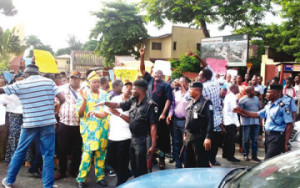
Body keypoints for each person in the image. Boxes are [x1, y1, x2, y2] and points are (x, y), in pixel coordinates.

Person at [0, 64, 65, 188]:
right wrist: (55, 108)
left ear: (27, 74)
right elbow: (62, 99)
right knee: (48, 155)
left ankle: (9, 181)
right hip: (47, 123)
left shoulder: (21, 84)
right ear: (37, 72)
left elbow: (2, 90)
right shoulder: (49, 82)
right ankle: (48, 185)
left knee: (20, 151)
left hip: (30, 124)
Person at [95, 79, 158, 178]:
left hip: (143, 140)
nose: (131, 90)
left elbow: (153, 126)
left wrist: (153, 145)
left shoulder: (150, 105)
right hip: (132, 139)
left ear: (141, 90)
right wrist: (104, 103)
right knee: (133, 166)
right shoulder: (133, 100)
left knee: (141, 167)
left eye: (134, 88)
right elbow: (117, 105)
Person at [234, 84, 294, 159]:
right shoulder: (268, 105)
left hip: (277, 137)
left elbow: (289, 124)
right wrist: (242, 111)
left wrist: (285, 142)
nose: (266, 94)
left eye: (268, 92)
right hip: (268, 136)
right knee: (271, 162)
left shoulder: (283, 106)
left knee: (268, 160)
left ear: (276, 93)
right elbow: (257, 114)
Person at [187, 51, 224, 166]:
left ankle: (207, 163)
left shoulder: (203, 88)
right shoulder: (215, 81)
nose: (197, 77)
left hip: (205, 122)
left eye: (199, 75)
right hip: (217, 120)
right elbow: (206, 66)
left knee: (202, 150)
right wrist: (197, 57)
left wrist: (184, 86)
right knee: (212, 147)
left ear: (203, 79)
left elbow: (188, 97)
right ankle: (211, 160)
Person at [76, 71, 110, 188]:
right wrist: (84, 100)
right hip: (89, 131)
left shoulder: (105, 94)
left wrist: (98, 114)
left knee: (101, 154)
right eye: (94, 82)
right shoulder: (83, 94)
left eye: (98, 82)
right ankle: (81, 179)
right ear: (89, 83)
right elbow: (79, 114)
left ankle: (100, 177)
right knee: (87, 155)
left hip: (103, 130)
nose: (96, 84)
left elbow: (107, 111)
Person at [140, 48, 173, 169]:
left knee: (161, 140)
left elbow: (169, 100)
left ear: (163, 75)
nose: (157, 74)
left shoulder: (166, 85)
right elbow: (142, 69)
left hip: (160, 118)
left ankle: (162, 159)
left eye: (159, 73)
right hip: (148, 116)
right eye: (155, 72)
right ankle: (151, 157)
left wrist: (164, 114)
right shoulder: (149, 80)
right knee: (149, 138)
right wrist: (142, 56)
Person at [55, 70, 83, 180]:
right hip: (64, 124)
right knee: (62, 150)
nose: (74, 80)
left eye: (76, 78)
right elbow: (55, 104)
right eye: (72, 78)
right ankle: (62, 172)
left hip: (79, 124)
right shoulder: (61, 89)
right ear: (69, 79)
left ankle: (74, 170)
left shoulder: (84, 90)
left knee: (77, 150)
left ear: (80, 79)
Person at [106, 82, 132, 186]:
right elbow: (106, 112)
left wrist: (118, 113)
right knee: (110, 160)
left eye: (131, 88)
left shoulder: (133, 102)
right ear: (122, 88)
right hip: (113, 135)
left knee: (122, 162)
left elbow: (132, 120)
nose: (128, 89)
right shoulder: (114, 99)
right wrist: (95, 114)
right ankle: (127, 173)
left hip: (126, 136)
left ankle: (121, 183)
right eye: (126, 87)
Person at [4, 74, 32, 166]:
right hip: (14, 115)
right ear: (15, 82)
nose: (19, 82)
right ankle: (12, 158)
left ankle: (27, 159)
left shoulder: (29, 92)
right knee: (14, 135)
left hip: (26, 115)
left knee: (26, 136)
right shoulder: (10, 92)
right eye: (18, 80)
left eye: (21, 80)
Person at [184, 82, 213, 168]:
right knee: (189, 162)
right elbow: (187, 118)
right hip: (189, 136)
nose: (189, 91)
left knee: (201, 162)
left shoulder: (206, 103)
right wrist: (185, 133)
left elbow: (210, 121)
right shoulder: (190, 102)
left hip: (200, 136)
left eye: (191, 89)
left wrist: (208, 137)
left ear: (197, 91)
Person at [166, 76, 190, 168]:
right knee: (176, 142)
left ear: (187, 83)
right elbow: (172, 106)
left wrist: (182, 86)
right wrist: (169, 115)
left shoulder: (190, 93)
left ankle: (185, 162)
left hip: (185, 121)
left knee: (185, 143)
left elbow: (187, 99)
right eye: (179, 82)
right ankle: (178, 162)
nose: (179, 84)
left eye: (182, 82)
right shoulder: (175, 93)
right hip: (176, 120)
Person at [238, 86, 261, 162]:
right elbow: (239, 112)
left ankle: (254, 156)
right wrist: (248, 115)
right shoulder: (242, 100)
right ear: (247, 92)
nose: (254, 92)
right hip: (246, 122)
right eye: (252, 91)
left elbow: (258, 109)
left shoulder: (256, 98)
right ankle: (246, 155)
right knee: (246, 139)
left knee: (255, 139)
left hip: (256, 122)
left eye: (254, 90)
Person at [223, 84, 240, 162]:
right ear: (233, 88)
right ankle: (230, 156)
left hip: (226, 120)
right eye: (237, 88)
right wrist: (237, 124)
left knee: (227, 140)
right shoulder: (233, 97)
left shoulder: (227, 96)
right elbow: (234, 110)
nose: (238, 90)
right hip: (231, 121)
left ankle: (225, 154)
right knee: (231, 141)